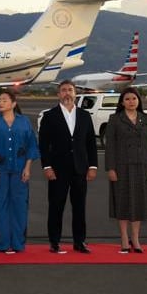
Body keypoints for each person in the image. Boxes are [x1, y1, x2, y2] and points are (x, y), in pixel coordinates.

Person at [0, 90, 40, 253]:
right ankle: (2, 243)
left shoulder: (24, 122)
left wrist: (27, 168)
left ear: (13, 103)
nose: (0, 103)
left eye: (4, 100)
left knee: (19, 206)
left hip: (20, 171)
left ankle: (18, 243)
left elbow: (31, 146)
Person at [38, 80, 99, 253]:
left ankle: (79, 241)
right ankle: (54, 242)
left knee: (79, 207)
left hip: (80, 169)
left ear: (75, 94)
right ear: (58, 94)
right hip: (57, 169)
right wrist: (47, 166)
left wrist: (93, 166)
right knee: (56, 206)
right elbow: (43, 144)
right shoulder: (49, 116)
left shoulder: (84, 116)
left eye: (70, 90)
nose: (67, 93)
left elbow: (90, 143)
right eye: (63, 90)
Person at [104, 87, 147, 253]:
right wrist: (110, 168)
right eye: (127, 99)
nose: (131, 102)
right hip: (121, 167)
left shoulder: (146, 119)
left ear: (139, 101)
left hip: (143, 166)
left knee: (139, 203)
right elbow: (110, 146)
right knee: (123, 202)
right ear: (122, 102)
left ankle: (135, 238)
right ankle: (124, 238)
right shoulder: (115, 119)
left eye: (134, 98)